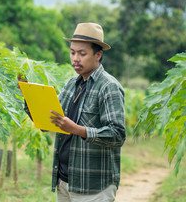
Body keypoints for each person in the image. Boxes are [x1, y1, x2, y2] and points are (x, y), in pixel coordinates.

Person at [18, 22, 126, 202]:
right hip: (64, 181)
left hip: (93, 186)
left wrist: (77, 129)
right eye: (72, 52)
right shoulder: (71, 84)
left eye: (82, 54)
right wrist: (29, 96)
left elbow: (117, 135)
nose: (76, 58)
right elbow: (47, 122)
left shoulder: (109, 87)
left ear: (98, 55)